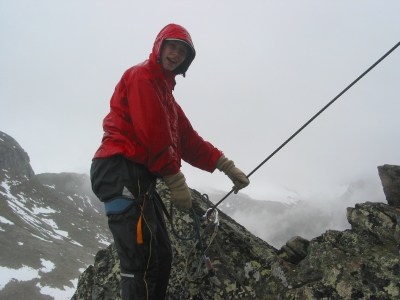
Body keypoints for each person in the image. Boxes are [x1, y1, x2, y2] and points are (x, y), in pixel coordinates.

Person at [90, 23, 250, 300]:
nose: (176, 54)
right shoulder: (142, 77)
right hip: (119, 170)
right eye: (172, 46)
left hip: (138, 175)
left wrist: (226, 166)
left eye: (182, 51)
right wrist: (176, 181)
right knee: (139, 263)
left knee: (161, 256)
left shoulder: (165, 95)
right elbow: (153, 135)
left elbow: (187, 140)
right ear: (159, 46)